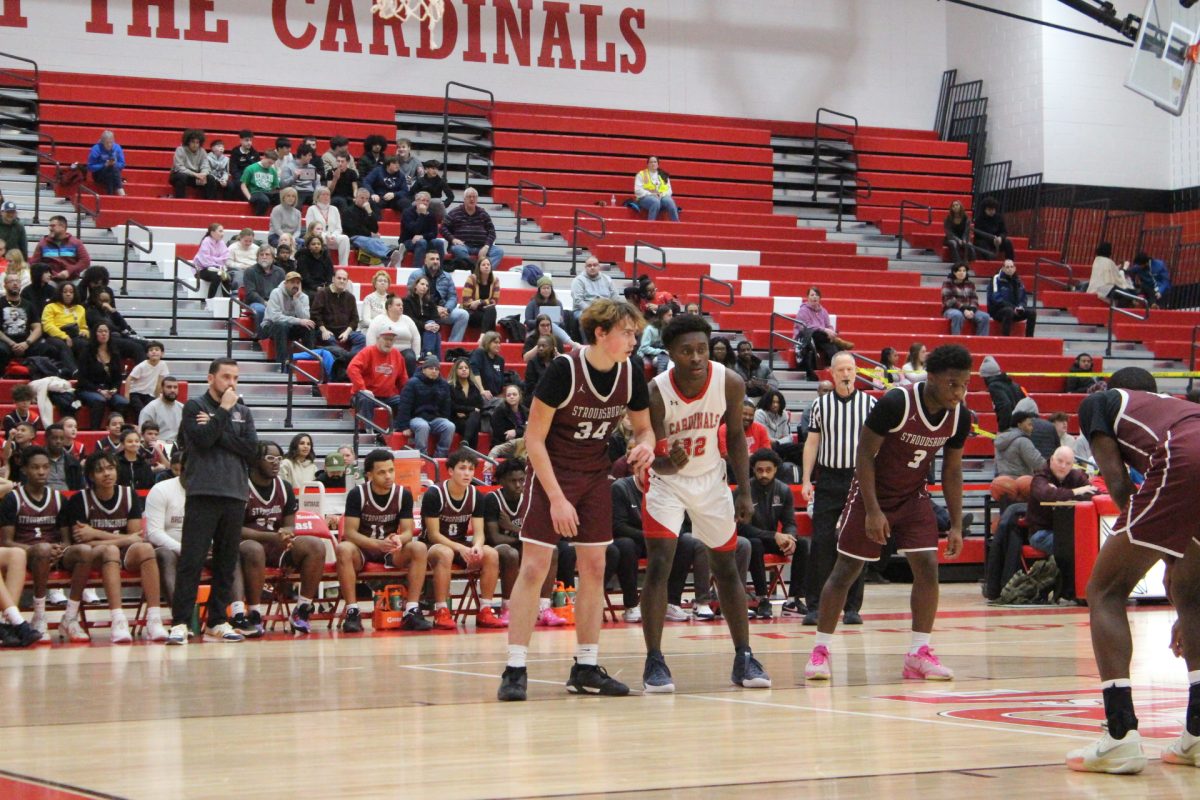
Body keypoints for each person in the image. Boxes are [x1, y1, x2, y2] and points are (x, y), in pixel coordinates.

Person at [497, 298, 655, 702]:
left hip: (594, 477)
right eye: (627, 332)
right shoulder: (563, 370)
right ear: (601, 333)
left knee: (596, 566)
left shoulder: (631, 371)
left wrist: (645, 447)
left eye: (635, 332)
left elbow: (644, 430)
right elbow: (532, 440)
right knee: (534, 566)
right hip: (552, 472)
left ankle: (586, 666)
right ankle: (515, 667)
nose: (634, 339)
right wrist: (555, 498)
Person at [805, 344, 972, 682]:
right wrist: (872, 510)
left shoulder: (960, 416)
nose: (960, 391)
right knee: (846, 570)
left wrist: (956, 523)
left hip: (913, 497)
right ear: (933, 377)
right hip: (871, 494)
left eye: (965, 384)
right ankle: (821, 649)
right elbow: (864, 455)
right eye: (953, 384)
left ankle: (918, 652)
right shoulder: (897, 402)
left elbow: (952, 471)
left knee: (927, 567)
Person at [1066, 367, 1200, 773]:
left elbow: (1118, 483)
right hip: (1190, 461)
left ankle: (1120, 735)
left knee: (1106, 590)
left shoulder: (1099, 403)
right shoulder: (1178, 407)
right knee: (1193, 599)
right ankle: (1197, 735)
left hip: (1186, 457)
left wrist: (1147, 551)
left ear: (1112, 388)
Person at [637, 312, 769, 692]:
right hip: (667, 483)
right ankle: (654, 660)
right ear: (670, 354)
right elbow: (653, 455)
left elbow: (738, 439)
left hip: (711, 480)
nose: (696, 357)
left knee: (726, 566)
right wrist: (666, 461)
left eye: (702, 349)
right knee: (660, 563)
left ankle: (744, 656)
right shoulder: (656, 391)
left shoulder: (729, 381)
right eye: (686, 351)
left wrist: (743, 489)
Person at [167, 358, 258, 645]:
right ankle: (181, 622)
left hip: (235, 493)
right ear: (210, 379)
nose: (231, 383)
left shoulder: (244, 411)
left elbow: (251, 450)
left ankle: (217, 621)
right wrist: (223, 412)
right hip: (203, 492)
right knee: (191, 561)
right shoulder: (195, 407)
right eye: (226, 377)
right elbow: (203, 440)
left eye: (235, 378)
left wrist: (219, 428)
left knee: (226, 562)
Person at [798, 351, 874, 623]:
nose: (845, 374)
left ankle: (852, 608)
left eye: (850, 369)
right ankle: (815, 606)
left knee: (856, 543)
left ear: (856, 372)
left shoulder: (868, 404)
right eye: (840, 369)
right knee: (821, 542)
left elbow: (878, 445)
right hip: (828, 478)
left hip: (859, 479)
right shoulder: (820, 406)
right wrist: (806, 480)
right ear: (831, 373)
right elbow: (812, 443)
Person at [63, 450, 168, 642]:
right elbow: (84, 543)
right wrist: (123, 539)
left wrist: (96, 533)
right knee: (110, 550)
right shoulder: (80, 500)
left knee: (145, 549)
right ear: (91, 476)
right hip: (94, 557)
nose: (107, 473)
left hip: (123, 552)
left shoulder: (129, 494)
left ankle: (154, 619)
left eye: (111, 468)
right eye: (100, 470)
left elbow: (135, 538)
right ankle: (118, 620)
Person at [335, 449, 433, 633]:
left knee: (418, 547)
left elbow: (408, 531)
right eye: (382, 472)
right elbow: (350, 533)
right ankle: (352, 611)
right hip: (363, 548)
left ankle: (412, 610)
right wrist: (377, 544)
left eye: (391, 470)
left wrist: (398, 538)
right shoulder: (357, 494)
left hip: (390, 550)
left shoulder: (403, 494)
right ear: (369, 475)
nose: (388, 476)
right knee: (343, 549)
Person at [238, 440, 327, 635]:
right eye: (270, 458)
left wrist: (287, 532)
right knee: (254, 548)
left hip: (275, 546)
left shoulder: (284, 487)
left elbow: (289, 523)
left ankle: (302, 609)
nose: (276, 463)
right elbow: (234, 529)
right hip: (245, 548)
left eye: (279, 458)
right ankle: (253, 613)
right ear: (254, 460)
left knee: (316, 546)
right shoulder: (240, 485)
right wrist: (271, 537)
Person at [422, 450, 506, 630]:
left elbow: (479, 532)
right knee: (445, 553)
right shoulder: (434, 494)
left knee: (490, 553)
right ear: (450, 471)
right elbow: (433, 534)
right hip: (433, 545)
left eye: (470, 469)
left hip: (460, 543)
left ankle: (485, 609)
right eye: (462, 468)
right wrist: (460, 548)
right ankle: (442, 610)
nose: (467, 473)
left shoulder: (476, 495)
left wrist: (476, 545)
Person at [485, 458, 568, 627]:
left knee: (551, 550)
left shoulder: (530, 498)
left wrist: (512, 528)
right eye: (513, 481)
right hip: (496, 550)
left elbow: (540, 532)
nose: (518, 485)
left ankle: (544, 607)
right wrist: (524, 536)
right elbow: (495, 537)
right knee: (511, 553)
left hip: (521, 544)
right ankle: (508, 607)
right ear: (501, 481)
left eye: (522, 480)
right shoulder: (491, 499)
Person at [742, 448, 808, 619]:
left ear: (776, 469)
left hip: (772, 539)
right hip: (750, 540)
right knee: (754, 544)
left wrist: (790, 537)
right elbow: (742, 528)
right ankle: (762, 599)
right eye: (759, 470)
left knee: (802, 544)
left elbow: (789, 522)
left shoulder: (784, 490)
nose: (764, 474)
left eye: (768, 470)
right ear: (753, 470)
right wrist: (774, 536)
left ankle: (793, 600)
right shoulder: (744, 491)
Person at [0, 271, 76, 376]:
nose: (15, 284)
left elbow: (38, 328)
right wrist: (12, 343)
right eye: (11, 281)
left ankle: (51, 374)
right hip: (6, 342)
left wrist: (27, 343)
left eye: (17, 281)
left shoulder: (28, 305)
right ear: (5, 285)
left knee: (51, 349)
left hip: (26, 342)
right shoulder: (1, 302)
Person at [348, 328, 409, 434]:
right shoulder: (368, 351)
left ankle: (393, 428)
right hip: (365, 394)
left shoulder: (397, 355)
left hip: (388, 397)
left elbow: (403, 378)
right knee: (367, 398)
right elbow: (352, 368)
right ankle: (369, 429)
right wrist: (362, 388)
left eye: (391, 340)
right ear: (378, 339)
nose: (389, 342)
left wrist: (407, 393)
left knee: (405, 401)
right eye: (386, 339)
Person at [395, 354, 456, 456]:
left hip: (435, 418)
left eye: (436, 369)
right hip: (416, 417)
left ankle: (440, 456)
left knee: (449, 426)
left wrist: (445, 418)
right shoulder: (412, 383)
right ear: (423, 369)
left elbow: (446, 406)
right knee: (423, 426)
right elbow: (405, 405)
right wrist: (404, 426)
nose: (434, 371)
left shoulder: (444, 384)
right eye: (431, 368)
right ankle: (422, 455)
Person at [406, 251, 469, 343]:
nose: (435, 261)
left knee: (463, 314)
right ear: (425, 261)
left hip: (443, 312)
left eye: (437, 259)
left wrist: (447, 309)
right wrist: (434, 309)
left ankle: (453, 345)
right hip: (424, 312)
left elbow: (453, 296)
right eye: (432, 259)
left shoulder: (447, 276)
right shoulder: (415, 275)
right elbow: (411, 296)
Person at [792, 287, 853, 382]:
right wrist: (824, 330)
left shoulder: (823, 311)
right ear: (807, 297)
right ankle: (838, 353)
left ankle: (838, 358)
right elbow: (805, 327)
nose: (814, 297)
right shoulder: (803, 311)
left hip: (823, 338)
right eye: (812, 295)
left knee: (826, 337)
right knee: (820, 334)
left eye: (816, 295)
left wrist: (831, 331)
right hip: (806, 337)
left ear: (820, 298)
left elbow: (829, 325)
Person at [76, 324, 130, 429]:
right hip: (89, 389)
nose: (103, 334)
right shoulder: (87, 352)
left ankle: (120, 431)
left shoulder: (114, 353)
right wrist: (99, 390)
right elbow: (82, 378)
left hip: (108, 390)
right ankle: (94, 432)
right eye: (100, 331)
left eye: (106, 331)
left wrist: (114, 389)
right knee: (99, 400)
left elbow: (118, 378)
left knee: (122, 402)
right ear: (95, 333)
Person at [312, 268, 366, 369]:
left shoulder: (350, 297)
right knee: (330, 340)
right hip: (326, 331)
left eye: (344, 279)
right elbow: (315, 314)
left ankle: (349, 359)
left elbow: (355, 319)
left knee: (361, 339)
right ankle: (348, 363)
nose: (342, 281)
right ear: (333, 279)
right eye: (339, 278)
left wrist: (347, 332)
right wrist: (323, 330)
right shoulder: (322, 293)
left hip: (344, 331)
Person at [263, 272, 316, 368]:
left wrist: (296, 300)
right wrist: (298, 321)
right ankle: (281, 365)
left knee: (309, 326)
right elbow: (275, 317)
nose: (295, 285)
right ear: (285, 283)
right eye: (292, 282)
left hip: (289, 327)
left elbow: (305, 318)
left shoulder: (304, 297)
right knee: (281, 325)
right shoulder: (276, 293)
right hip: (270, 326)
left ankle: (309, 363)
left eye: (297, 283)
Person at [445, 187, 503, 269]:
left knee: (498, 251)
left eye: (474, 197)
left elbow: (492, 232)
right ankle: (474, 270)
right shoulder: (454, 212)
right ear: (464, 199)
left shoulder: (483, 213)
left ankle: (484, 273)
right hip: (463, 246)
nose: (472, 199)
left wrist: (486, 246)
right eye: (469, 197)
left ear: (477, 199)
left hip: (481, 246)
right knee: (458, 249)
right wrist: (453, 239)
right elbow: (443, 228)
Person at [366, 293, 420, 378]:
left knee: (410, 358)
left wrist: (417, 355)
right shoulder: (378, 320)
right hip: (384, 351)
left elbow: (416, 337)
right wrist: (372, 354)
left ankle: (408, 383)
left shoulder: (407, 320)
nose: (401, 307)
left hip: (405, 351)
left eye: (402, 305)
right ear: (389, 307)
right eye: (398, 305)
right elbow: (371, 336)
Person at [31, 215, 90, 281]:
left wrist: (69, 271)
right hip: (50, 280)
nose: (50, 228)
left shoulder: (76, 243)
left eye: (53, 226)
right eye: (49, 226)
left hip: (72, 280)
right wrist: (52, 273)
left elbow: (85, 261)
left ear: (62, 227)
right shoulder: (42, 243)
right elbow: (34, 264)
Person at [987, 259, 1037, 337]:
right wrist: (1013, 308)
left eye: (1011, 267)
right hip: (998, 311)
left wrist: (1020, 306)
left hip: (1015, 310)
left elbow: (1024, 298)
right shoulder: (996, 278)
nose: (1010, 269)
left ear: (1015, 268)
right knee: (1008, 311)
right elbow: (996, 298)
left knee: (1032, 312)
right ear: (1003, 268)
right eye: (1007, 267)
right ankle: (1006, 338)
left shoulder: (1018, 280)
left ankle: (1029, 339)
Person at [242, 245, 286, 332]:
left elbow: (284, 291)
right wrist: (264, 302)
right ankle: (262, 337)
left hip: (276, 302)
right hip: (257, 302)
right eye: (261, 255)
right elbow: (251, 293)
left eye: (267, 254)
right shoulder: (250, 271)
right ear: (257, 257)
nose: (264, 257)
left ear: (273, 258)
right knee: (261, 310)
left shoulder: (280, 272)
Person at [941, 263, 990, 336]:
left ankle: (981, 342)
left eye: (964, 271)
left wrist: (972, 310)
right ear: (954, 272)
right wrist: (964, 310)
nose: (962, 273)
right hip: (951, 309)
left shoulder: (970, 284)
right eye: (959, 271)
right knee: (957, 315)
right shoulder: (947, 283)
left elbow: (974, 299)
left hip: (969, 309)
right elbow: (949, 300)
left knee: (985, 316)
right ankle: (956, 340)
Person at [305, 188, 351, 266]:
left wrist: (333, 235)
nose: (326, 197)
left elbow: (339, 228)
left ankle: (344, 266)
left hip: (333, 237)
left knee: (345, 238)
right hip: (318, 237)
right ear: (317, 196)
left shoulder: (334, 209)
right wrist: (326, 236)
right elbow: (310, 228)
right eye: (323, 194)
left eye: (328, 195)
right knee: (320, 238)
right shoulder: (311, 209)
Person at [400, 190, 447, 266]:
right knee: (422, 242)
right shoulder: (407, 213)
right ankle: (417, 270)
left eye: (427, 201)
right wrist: (422, 215)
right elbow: (414, 230)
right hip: (408, 241)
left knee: (439, 243)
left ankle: (440, 269)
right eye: (423, 200)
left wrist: (422, 236)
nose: (425, 203)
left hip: (424, 240)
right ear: (417, 201)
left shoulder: (431, 214)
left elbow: (434, 234)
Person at [994, 410, 1046, 478]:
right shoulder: (1023, 441)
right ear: (1019, 425)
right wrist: (1053, 467)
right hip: (1020, 482)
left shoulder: (1000, 440)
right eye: (1029, 425)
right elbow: (1037, 462)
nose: (1032, 428)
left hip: (1002, 480)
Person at [525, 277, 575, 346]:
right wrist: (538, 320)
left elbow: (562, 325)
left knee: (551, 324)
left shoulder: (558, 303)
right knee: (548, 323)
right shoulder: (532, 303)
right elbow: (528, 322)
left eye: (548, 288)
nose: (546, 290)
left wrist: (561, 320)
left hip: (553, 330)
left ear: (551, 289)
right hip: (536, 330)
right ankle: (572, 343)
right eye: (544, 288)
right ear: (539, 290)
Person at [404, 275, 443, 358]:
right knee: (434, 332)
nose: (424, 287)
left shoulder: (430, 302)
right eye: (422, 284)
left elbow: (437, 318)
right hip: (415, 329)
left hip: (429, 331)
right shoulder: (407, 301)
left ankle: (428, 355)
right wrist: (424, 326)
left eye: (427, 285)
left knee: (434, 329)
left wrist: (436, 326)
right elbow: (409, 319)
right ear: (415, 286)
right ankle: (432, 357)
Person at [170, 129, 216, 199]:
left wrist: (203, 174)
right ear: (188, 142)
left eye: (197, 142)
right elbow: (179, 167)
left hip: (195, 178)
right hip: (179, 176)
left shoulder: (202, 151)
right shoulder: (180, 150)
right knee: (182, 177)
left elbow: (205, 166)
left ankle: (209, 203)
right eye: (193, 142)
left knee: (210, 179)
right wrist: (195, 174)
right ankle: (180, 201)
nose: (195, 145)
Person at [192, 223, 233, 299]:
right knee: (217, 276)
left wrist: (213, 260)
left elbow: (225, 257)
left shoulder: (222, 242)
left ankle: (227, 301)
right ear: (212, 232)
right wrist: (217, 261)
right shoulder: (206, 242)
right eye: (220, 231)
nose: (222, 233)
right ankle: (209, 300)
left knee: (226, 277)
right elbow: (205, 261)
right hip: (201, 269)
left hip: (216, 268)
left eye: (223, 231)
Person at [138, 376, 183, 444]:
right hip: (158, 447)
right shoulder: (150, 408)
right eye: (169, 387)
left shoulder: (182, 408)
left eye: (175, 387)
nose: (172, 390)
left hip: (178, 447)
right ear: (161, 389)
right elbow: (143, 435)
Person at [634, 156, 680, 221]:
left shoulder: (663, 175)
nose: (653, 164)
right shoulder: (641, 174)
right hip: (644, 198)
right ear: (647, 164)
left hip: (662, 196)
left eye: (655, 162)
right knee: (655, 202)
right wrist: (651, 194)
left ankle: (676, 224)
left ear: (658, 164)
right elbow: (637, 190)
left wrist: (661, 195)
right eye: (651, 162)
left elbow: (669, 191)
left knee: (670, 202)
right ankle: (651, 225)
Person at [570, 256, 617, 321]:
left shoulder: (607, 279)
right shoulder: (578, 280)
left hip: (605, 310)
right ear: (585, 268)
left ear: (599, 267)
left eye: (595, 265)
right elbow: (578, 301)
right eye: (589, 266)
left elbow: (615, 297)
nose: (592, 267)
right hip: (584, 310)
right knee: (590, 319)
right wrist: (594, 311)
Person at [462, 256, 500, 334]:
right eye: (483, 265)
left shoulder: (495, 280)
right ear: (478, 267)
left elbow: (494, 301)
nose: (486, 266)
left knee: (491, 310)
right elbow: (466, 300)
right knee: (491, 313)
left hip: (485, 311)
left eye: (488, 265)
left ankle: (483, 337)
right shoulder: (471, 279)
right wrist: (478, 304)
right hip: (471, 312)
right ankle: (489, 338)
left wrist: (480, 302)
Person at [296, 227, 335, 301]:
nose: (316, 246)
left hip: (324, 286)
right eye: (313, 244)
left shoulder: (326, 258)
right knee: (314, 296)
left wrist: (327, 286)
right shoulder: (302, 258)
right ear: (308, 246)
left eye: (318, 244)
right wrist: (316, 287)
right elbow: (305, 277)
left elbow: (330, 274)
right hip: (308, 287)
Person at [44, 424, 84, 491]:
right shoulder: (37, 459)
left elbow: (79, 486)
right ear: (46, 439)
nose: (58, 441)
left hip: (67, 498)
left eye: (62, 438)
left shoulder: (73, 462)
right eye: (54, 438)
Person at [470, 331, 506, 403]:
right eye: (495, 342)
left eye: (499, 343)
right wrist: (482, 390)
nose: (498, 345)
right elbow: (474, 372)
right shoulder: (479, 353)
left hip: (496, 397)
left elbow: (501, 382)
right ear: (487, 342)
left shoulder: (500, 360)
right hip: (480, 394)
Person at [240, 149, 279, 216]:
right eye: (269, 162)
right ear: (264, 157)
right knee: (264, 200)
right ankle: (259, 218)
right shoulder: (251, 168)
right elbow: (243, 185)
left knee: (282, 197)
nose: (270, 165)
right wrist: (249, 198)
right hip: (255, 192)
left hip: (268, 192)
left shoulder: (273, 171)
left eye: (272, 163)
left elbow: (275, 187)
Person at [87, 130, 125, 195]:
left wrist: (115, 164)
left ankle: (109, 195)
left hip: (113, 173)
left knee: (111, 169)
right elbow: (90, 167)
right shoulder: (96, 149)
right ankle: (121, 192)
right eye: (107, 143)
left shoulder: (117, 148)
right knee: (111, 169)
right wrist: (104, 165)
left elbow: (122, 164)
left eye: (111, 142)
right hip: (99, 175)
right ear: (102, 142)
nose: (109, 145)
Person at [490, 384, 527, 450]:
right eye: (508, 395)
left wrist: (516, 432)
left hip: (522, 442)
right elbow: (500, 434)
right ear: (505, 397)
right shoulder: (499, 411)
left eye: (514, 394)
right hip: (503, 444)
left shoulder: (525, 410)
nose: (511, 397)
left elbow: (530, 427)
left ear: (519, 396)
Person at [637, 305, 671, 375]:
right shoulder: (650, 329)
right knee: (664, 359)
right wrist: (661, 351)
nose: (671, 317)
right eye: (669, 315)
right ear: (662, 316)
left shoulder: (668, 328)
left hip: (660, 353)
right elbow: (644, 348)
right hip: (646, 355)